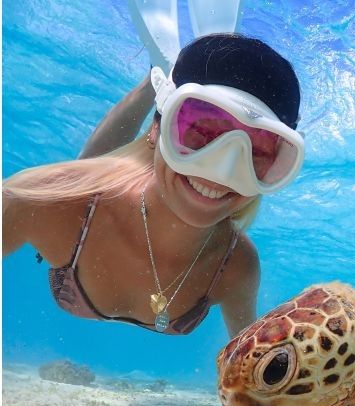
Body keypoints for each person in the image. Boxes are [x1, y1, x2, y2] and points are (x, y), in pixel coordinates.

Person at [3, 32, 305, 338]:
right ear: (157, 126)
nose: (222, 171)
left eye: (257, 152)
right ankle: (154, 80)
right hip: (90, 203)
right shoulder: (41, 200)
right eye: (200, 132)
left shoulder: (237, 267)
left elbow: (252, 369)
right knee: (89, 168)